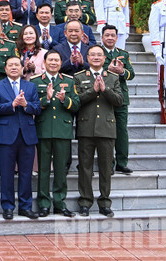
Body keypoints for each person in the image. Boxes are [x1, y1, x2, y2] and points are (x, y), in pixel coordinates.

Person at [75, 45, 123, 217]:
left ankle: (104, 202)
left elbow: (119, 100)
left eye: (99, 55)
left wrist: (105, 90)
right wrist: (92, 91)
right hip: (86, 128)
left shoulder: (112, 77)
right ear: (87, 58)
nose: (96, 57)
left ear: (104, 58)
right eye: (92, 55)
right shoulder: (79, 77)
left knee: (105, 167)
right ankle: (85, 202)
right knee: (85, 167)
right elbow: (76, 101)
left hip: (106, 128)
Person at [0, 56, 41, 220]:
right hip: (6, 136)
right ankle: (8, 207)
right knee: (6, 173)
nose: (13, 68)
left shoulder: (30, 86)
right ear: (5, 69)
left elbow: (38, 108)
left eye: (16, 65)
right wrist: (12, 105)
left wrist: (26, 105)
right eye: (10, 65)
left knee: (26, 173)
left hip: (27, 135)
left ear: (22, 69)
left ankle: (26, 206)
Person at [31, 50, 79, 218]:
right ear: (44, 63)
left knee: (60, 169)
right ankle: (43, 204)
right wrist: (47, 99)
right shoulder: (36, 81)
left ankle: (59, 203)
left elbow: (77, 105)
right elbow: (32, 106)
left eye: (56, 60)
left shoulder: (69, 81)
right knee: (43, 169)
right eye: (50, 60)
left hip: (62, 130)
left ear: (60, 63)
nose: (53, 63)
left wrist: (64, 100)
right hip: (43, 129)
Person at [100, 24, 135, 174]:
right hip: (104, 97)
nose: (109, 38)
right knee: (106, 133)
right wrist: (107, 71)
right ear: (102, 37)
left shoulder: (123, 54)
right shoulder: (97, 53)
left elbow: (131, 74)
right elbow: (93, 70)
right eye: (107, 35)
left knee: (121, 131)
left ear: (117, 37)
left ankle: (122, 162)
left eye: (112, 35)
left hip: (121, 98)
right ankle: (108, 163)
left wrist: (122, 72)